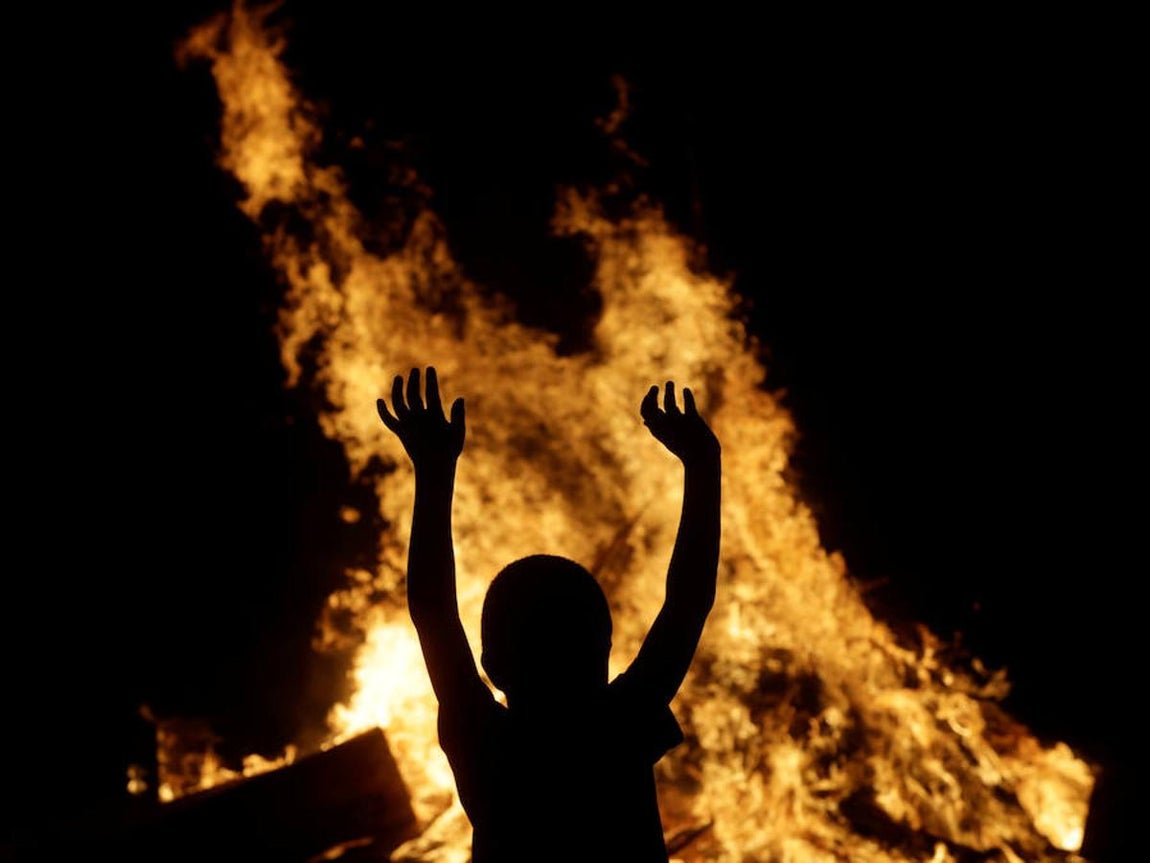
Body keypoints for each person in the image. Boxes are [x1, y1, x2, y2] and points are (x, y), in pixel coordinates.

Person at [377, 366, 721, 862]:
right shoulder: (619, 728)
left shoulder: (485, 745)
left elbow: (432, 612)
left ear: (492, 666)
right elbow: (689, 601)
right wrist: (703, 465)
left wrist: (433, 472)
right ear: (603, 651)